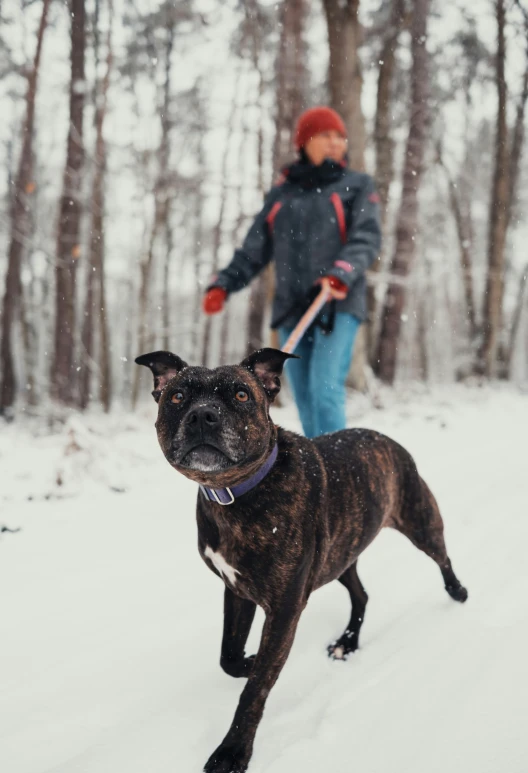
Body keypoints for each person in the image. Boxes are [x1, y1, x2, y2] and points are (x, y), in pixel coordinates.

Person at [202, 106, 381, 438]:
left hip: (334, 302)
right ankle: (320, 473)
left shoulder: (356, 184)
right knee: (303, 397)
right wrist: (223, 285)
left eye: (340, 137)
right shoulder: (282, 194)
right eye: (326, 135)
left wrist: (341, 272)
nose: (335, 143)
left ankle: (336, 475)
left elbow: (367, 237)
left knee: (324, 388)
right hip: (290, 309)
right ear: (305, 141)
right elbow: (253, 250)